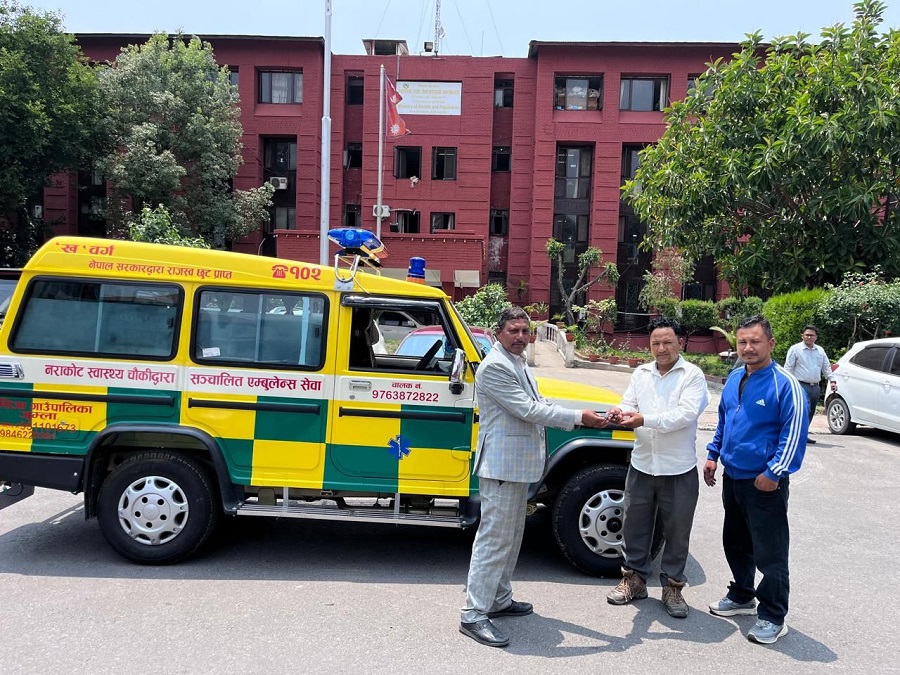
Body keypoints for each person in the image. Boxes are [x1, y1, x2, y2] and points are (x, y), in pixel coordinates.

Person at [460, 306, 605, 648]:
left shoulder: (518, 362)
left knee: (510, 537)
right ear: (498, 333)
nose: (521, 337)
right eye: (514, 330)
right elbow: (528, 410)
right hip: (501, 467)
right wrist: (579, 417)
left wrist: (582, 412)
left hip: (516, 465)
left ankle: (499, 599)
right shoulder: (495, 366)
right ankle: (473, 613)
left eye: (525, 331)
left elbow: (539, 400)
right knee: (494, 540)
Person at [704, 315, 808, 645]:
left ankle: (773, 615)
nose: (748, 348)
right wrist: (713, 454)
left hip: (764, 483)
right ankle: (742, 595)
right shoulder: (736, 377)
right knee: (736, 542)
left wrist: (774, 472)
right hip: (733, 477)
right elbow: (724, 420)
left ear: (771, 344)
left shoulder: (785, 384)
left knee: (770, 553)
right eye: (742, 342)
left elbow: (794, 433)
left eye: (755, 341)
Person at [602, 317, 709, 618]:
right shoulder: (641, 373)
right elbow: (629, 403)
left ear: (680, 342)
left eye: (667, 342)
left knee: (677, 531)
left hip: (678, 468)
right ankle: (633, 581)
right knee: (634, 526)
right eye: (655, 343)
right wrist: (619, 411)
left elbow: (685, 415)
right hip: (643, 463)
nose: (661, 348)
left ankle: (673, 587)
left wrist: (643, 420)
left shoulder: (692, 375)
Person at [784, 325, 837, 444]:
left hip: (815, 387)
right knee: (803, 410)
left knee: (811, 411)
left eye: (811, 335)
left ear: (816, 337)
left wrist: (832, 381)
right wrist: (787, 385)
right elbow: (788, 368)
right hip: (800, 385)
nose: (809, 337)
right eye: (807, 335)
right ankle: (794, 435)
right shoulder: (795, 349)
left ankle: (803, 434)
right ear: (802, 336)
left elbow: (826, 367)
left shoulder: (820, 351)